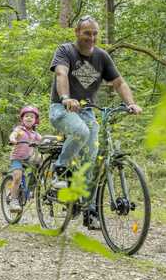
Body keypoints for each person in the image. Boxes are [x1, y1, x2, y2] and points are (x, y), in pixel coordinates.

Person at [49, 15, 141, 229]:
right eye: (87, 33)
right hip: (61, 108)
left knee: (92, 157)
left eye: (95, 34)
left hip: (88, 112)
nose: (91, 38)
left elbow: (119, 83)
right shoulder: (65, 51)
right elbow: (61, 74)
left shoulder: (102, 57)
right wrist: (65, 98)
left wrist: (131, 103)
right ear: (77, 33)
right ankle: (60, 169)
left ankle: (89, 210)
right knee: (80, 131)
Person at [8, 106, 43, 213]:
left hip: (28, 159)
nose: (29, 118)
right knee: (17, 177)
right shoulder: (19, 130)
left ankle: (31, 189)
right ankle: (13, 200)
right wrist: (13, 139)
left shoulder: (35, 134)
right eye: (26, 116)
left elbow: (42, 140)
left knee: (39, 162)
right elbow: (13, 135)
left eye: (31, 117)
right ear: (22, 118)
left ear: (35, 120)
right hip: (17, 158)